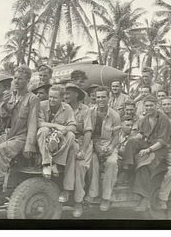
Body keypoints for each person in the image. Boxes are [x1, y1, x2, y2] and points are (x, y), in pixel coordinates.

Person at [0, 65, 40, 195]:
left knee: (0, 150)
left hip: (22, 136)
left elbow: (33, 122)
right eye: (15, 78)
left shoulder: (32, 98)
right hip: (9, 133)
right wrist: (3, 106)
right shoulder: (11, 96)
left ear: (28, 80)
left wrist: (29, 145)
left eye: (20, 79)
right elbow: (3, 118)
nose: (16, 81)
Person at [122, 95, 171, 211]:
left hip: (159, 149)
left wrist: (148, 150)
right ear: (144, 107)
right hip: (148, 144)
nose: (149, 108)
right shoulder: (145, 119)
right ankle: (127, 168)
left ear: (157, 106)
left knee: (144, 165)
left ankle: (144, 198)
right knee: (132, 142)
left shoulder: (164, 119)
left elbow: (162, 141)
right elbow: (142, 134)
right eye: (147, 106)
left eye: (151, 105)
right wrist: (133, 138)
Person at [37, 85, 78, 202]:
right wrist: (55, 126)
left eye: (55, 98)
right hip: (43, 139)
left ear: (62, 98)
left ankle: (55, 163)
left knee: (71, 135)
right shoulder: (42, 105)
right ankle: (47, 163)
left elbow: (73, 126)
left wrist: (64, 130)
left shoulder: (67, 108)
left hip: (59, 141)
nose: (51, 100)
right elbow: (39, 123)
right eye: (50, 97)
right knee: (43, 130)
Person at [85, 86, 121, 212]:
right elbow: (88, 133)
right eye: (98, 97)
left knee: (112, 162)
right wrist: (96, 148)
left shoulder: (114, 115)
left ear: (108, 97)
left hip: (108, 143)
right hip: (92, 144)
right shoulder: (90, 112)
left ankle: (106, 197)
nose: (100, 100)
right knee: (92, 161)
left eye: (103, 97)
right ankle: (93, 193)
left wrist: (111, 147)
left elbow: (117, 136)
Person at [64, 83, 93, 218]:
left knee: (80, 167)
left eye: (68, 93)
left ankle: (78, 202)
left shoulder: (85, 109)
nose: (66, 96)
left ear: (76, 94)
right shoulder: (63, 108)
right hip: (67, 142)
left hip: (82, 142)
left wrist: (82, 150)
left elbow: (88, 132)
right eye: (64, 93)